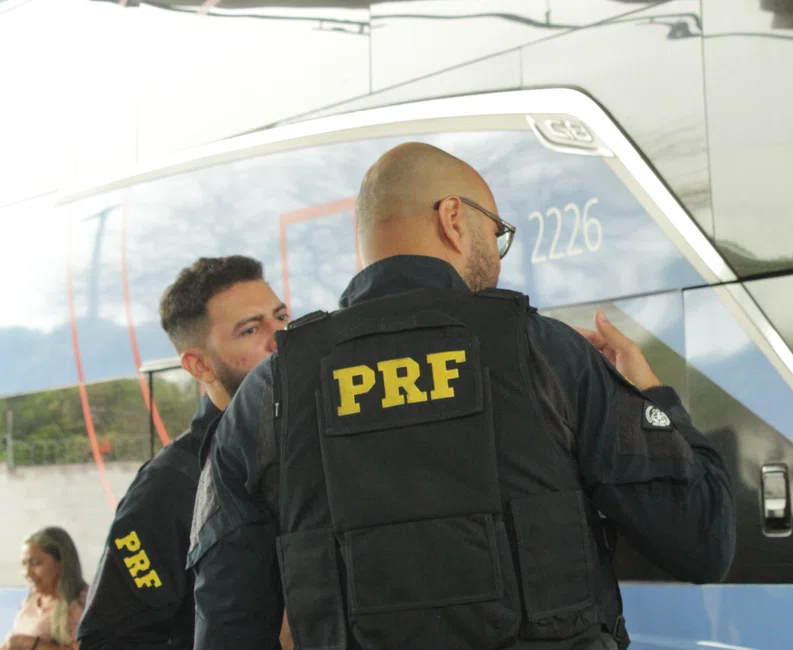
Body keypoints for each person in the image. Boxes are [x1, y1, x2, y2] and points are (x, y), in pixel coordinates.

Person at [188, 142, 737, 650]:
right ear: (453, 219)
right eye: (495, 233)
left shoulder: (267, 397)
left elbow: (227, 620)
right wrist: (654, 395)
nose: (498, 256)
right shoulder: (548, 354)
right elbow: (704, 539)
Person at [75, 256, 291, 650]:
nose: (279, 337)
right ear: (199, 365)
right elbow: (109, 640)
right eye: (250, 329)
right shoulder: (168, 487)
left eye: (281, 317)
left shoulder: (314, 441)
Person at [2, 527, 89, 650]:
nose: (27, 573)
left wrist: (30, 643)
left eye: (35, 563)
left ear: (61, 563)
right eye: (24, 564)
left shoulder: (79, 605)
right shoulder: (31, 600)